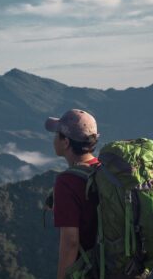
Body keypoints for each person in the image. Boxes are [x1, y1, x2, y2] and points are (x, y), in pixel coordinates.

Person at [45, 109, 100, 279]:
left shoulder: (67, 182)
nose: (54, 138)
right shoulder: (103, 170)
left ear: (66, 142)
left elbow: (71, 242)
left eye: (57, 134)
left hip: (90, 271)